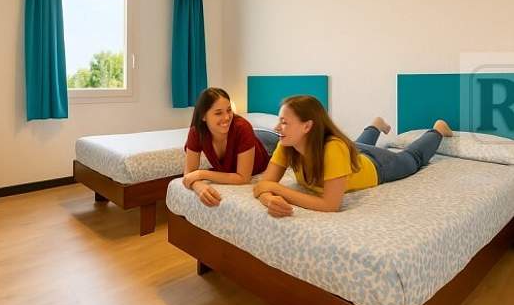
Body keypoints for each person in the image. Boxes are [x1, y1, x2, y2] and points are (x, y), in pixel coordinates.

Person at [253, 95, 452, 218]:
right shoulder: (287, 144)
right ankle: (376, 125)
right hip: (352, 154)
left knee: (411, 159)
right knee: (355, 145)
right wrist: (269, 200)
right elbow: (263, 185)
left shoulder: (333, 148)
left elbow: (330, 205)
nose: (277, 127)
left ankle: (438, 130)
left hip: (377, 166)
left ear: (307, 126)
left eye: (284, 122)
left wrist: (276, 189)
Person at [183, 87, 270, 207]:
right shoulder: (196, 132)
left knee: (281, 142)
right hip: (247, 145)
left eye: (229, 110)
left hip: (267, 149)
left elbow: (243, 178)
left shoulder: (243, 128)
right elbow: (189, 173)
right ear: (203, 116)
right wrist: (198, 185)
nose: (227, 117)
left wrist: (201, 174)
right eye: (218, 113)